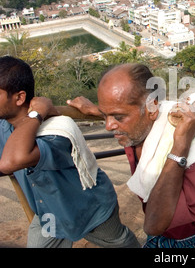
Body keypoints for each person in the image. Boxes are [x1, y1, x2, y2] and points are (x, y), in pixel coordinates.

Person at [67, 63, 195, 248]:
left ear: (152, 107)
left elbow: (153, 225)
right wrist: (94, 110)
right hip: (170, 231)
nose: (108, 125)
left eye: (117, 117)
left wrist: (180, 146)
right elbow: (120, 108)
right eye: (105, 115)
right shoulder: (139, 123)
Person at [0, 56, 140, 248]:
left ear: (19, 98)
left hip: (90, 210)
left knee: (120, 242)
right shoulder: (5, 126)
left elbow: (12, 161)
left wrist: (37, 113)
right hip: (49, 214)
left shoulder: (56, 133)